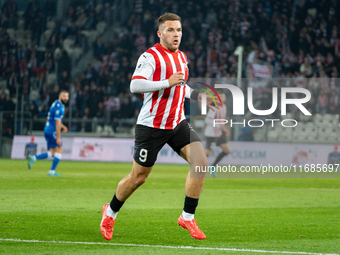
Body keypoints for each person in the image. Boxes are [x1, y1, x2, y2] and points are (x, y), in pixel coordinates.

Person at [100, 13, 218, 241]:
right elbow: (135, 85)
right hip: (151, 126)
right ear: (160, 33)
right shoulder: (150, 56)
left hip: (177, 122)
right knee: (138, 178)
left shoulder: (182, 57)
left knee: (201, 162)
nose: (176, 35)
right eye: (171, 30)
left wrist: (197, 96)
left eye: (179, 30)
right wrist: (166, 82)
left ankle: (187, 216)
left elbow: (180, 87)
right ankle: (111, 211)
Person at [28, 90, 69, 176]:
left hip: (48, 129)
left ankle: (34, 158)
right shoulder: (59, 106)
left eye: (67, 96)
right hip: (52, 130)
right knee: (59, 150)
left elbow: (56, 120)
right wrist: (58, 137)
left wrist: (63, 126)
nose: (66, 98)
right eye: (64, 96)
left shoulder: (58, 104)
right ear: (59, 96)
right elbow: (57, 123)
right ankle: (52, 171)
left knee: (53, 152)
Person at [204, 90, 230, 177]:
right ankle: (197, 166)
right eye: (219, 96)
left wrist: (225, 129)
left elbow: (221, 120)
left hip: (219, 133)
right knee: (207, 153)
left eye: (222, 96)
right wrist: (219, 126)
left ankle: (212, 167)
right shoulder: (214, 107)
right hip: (211, 134)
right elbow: (207, 120)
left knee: (227, 150)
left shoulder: (224, 107)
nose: (221, 98)